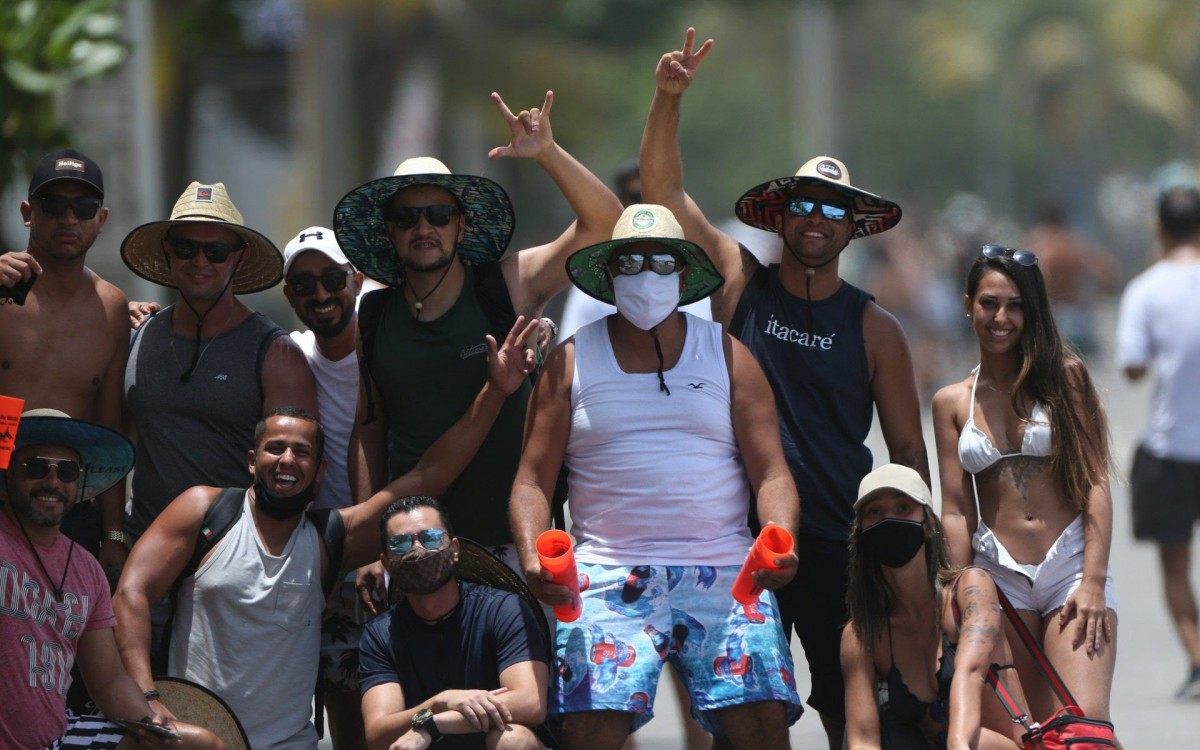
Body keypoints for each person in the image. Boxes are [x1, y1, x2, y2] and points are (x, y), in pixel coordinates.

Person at [639, 28, 929, 748]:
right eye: (805, 204)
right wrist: (668, 99)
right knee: (746, 717)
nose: (817, 220)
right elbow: (665, 196)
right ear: (781, 214)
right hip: (739, 538)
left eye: (834, 211)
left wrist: (920, 559)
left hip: (839, 543)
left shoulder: (876, 330)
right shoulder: (740, 283)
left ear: (853, 229)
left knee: (847, 708)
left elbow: (906, 454)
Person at [113, 317, 539, 749]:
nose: (287, 460)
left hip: (290, 743)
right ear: (250, 460)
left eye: (302, 452)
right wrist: (146, 698)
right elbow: (131, 593)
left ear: (320, 473)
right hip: (202, 735)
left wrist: (496, 392)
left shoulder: (329, 539)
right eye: (274, 448)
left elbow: (431, 474)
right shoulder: (205, 509)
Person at [510, 204, 803, 749]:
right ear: (610, 276)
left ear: (686, 276)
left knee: (761, 726)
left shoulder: (728, 355)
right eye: (631, 262)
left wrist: (778, 535)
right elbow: (531, 481)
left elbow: (771, 473)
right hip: (606, 571)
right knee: (591, 732)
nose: (647, 274)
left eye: (663, 262)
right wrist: (533, 554)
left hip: (724, 569)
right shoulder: (569, 362)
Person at [339, 90, 622, 575]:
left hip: (512, 545)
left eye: (439, 215)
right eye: (407, 217)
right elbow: (370, 430)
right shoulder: (374, 313)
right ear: (389, 231)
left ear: (462, 226)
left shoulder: (504, 286)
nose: (423, 227)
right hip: (413, 548)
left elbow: (606, 226)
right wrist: (369, 544)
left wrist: (548, 154)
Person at [932, 245, 1117, 727]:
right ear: (967, 303)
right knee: (1028, 731)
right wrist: (956, 588)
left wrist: (1094, 581)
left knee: (1083, 725)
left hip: (1069, 565)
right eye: (989, 303)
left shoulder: (1065, 379)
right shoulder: (951, 401)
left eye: (1016, 305)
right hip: (999, 574)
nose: (1002, 318)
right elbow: (955, 510)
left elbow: (1096, 480)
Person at [0, 409, 220, 750]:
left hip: (55, 737)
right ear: (9, 473)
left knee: (200, 745)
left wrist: (150, 726)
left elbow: (108, 680)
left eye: (67, 472)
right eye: (37, 467)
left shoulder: (86, 567)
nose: (53, 482)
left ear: (80, 484)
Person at [120, 181, 318, 543]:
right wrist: (114, 538)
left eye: (215, 251)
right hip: (140, 547)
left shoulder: (276, 353)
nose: (199, 262)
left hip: (232, 557)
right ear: (167, 251)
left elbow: (297, 474)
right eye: (186, 248)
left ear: (238, 257)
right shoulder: (138, 335)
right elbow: (114, 448)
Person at [1, 149, 132, 575]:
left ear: (102, 218)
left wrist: (113, 532)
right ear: (28, 212)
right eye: (53, 206)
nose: (69, 218)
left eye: (84, 207)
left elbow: (109, 425)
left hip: (68, 504)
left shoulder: (111, 307)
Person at [841, 464, 1024, 750]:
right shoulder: (862, 635)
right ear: (861, 533)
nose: (889, 519)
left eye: (903, 508)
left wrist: (958, 744)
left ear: (927, 525)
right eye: (874, 512)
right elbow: (863, 740)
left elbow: (971, 671)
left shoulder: (969, 590)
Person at [359, 496, 550, 750]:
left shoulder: (502, 609)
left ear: (455, 549)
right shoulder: (380, 634)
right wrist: (440, 702)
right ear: (386, 563)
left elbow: (530, 702)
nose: (417, 550)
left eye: (431, 538)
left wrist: (433, 724)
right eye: (401, 543)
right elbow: (377, 733)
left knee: (513, 740)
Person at [280, 226, 370, 748]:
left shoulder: (390, 345)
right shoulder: (289, 353)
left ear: (356, 280)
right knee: (342, 696)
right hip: (323, 554)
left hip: (389, 543)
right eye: (304, 283)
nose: (320, 294)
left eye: (332, 278)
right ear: (289, 294)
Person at [1115, 186, 1200, 700]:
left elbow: (1130, 367)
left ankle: (1196, 655)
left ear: (1160, 230)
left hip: (1171, 450)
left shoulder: (1146, 290)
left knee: (1175, 566)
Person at [1023, 204, 1118, 357]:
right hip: (1077, 316)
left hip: (1050, 316)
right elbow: (1107, 273)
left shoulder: (1039, 243)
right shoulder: (1074, 243)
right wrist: (1093, 298)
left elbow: (1042, 273)